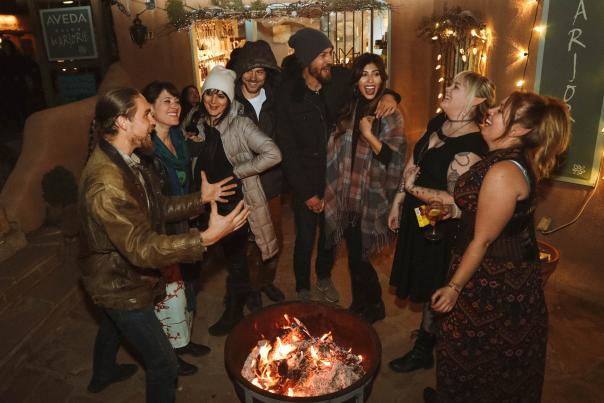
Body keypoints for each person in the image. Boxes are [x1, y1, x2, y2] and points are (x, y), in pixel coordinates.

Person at [79, 87, 249, 403]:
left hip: (117, 277)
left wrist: (201, 198)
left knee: (114, 326)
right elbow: (141, 248)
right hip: (119, 285)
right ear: (122, 122)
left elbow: (156, 207)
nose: (153, 121)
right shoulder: (107, 183)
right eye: (146, 114)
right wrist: (206, 238)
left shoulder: (127, 159)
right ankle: (107, 373)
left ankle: (103, 374)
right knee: (162, 363)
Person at [424, 91, 570, 402]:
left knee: (474, 360)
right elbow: (488, 212)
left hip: (493, 286)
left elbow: (485, 238)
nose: (490, 111)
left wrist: (453, 287)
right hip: (487, 272)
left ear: (518, 130)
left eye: (502, 110)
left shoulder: (504, 171)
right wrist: (447, 211)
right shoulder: (501, 160)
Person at [276, 28, 399, 302]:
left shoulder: (339, 78)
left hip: (338, 177)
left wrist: (391, 96)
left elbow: (370, 82)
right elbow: (288, 150)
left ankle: (323, 277)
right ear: (308, 60)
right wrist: (307, 194)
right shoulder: (287, 95)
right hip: (304, 181)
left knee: (330, 236)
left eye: (330, 53)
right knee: (306, 237)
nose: (330, 60)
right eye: (323, 55)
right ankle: (302, 287)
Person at [388, 71, 495, 373]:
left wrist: (410, 191)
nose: (447, 89)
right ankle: (429, 335)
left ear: (476, 100)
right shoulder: (439, 122)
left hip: (440, 223)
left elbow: (455, 201)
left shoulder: (472, 147)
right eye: (449, 84)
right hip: (416, 213)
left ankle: (424, 348)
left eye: (456, 87)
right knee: (422, 277)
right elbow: (415, 160)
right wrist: (398, 200)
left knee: (435, 281)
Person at [190, 66, 282, 336]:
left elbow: (273, 153)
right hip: (205, 204)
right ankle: (183, 314)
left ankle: (233, 313)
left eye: (221, 95)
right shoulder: (198, 124)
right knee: (197, 257)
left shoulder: (240, 124)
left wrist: (239, 171)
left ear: (230, 99)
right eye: (209, 94)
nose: (214, 101)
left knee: (237, 263)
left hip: (233, 206)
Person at [323, 53, 406, 323]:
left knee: (361, 256)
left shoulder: (390, 113)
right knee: (354, 256)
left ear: (383, 78)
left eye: (375, 74)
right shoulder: (352, 105)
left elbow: (392, 157)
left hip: (371, 195)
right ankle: (362, 303)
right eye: (363, 74)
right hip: (348, 193)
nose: (369, 80)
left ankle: (373, 306)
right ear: (356, 80)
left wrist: (369, 135)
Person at [141, 81, 210, 376]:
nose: (175, 106)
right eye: (166, 102)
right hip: (162, 229)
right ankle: (171, 352)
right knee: (169, 294)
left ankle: (183, 342)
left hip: (186, 220)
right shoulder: (146, 150)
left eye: (176, 102)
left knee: (188, 283)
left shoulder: (179, 139)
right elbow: (156, 202)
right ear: (150, 111)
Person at [233, 40, 286, 312]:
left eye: (260, 71)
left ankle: (267, 281)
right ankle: (253, 288)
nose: (254, 77)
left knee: (274, 237)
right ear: (240, 71)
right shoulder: (230, 101)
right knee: (250, 241)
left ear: (268, 74)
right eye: (249, 70)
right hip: (243, 185)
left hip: (272, 183)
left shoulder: (277, 101)